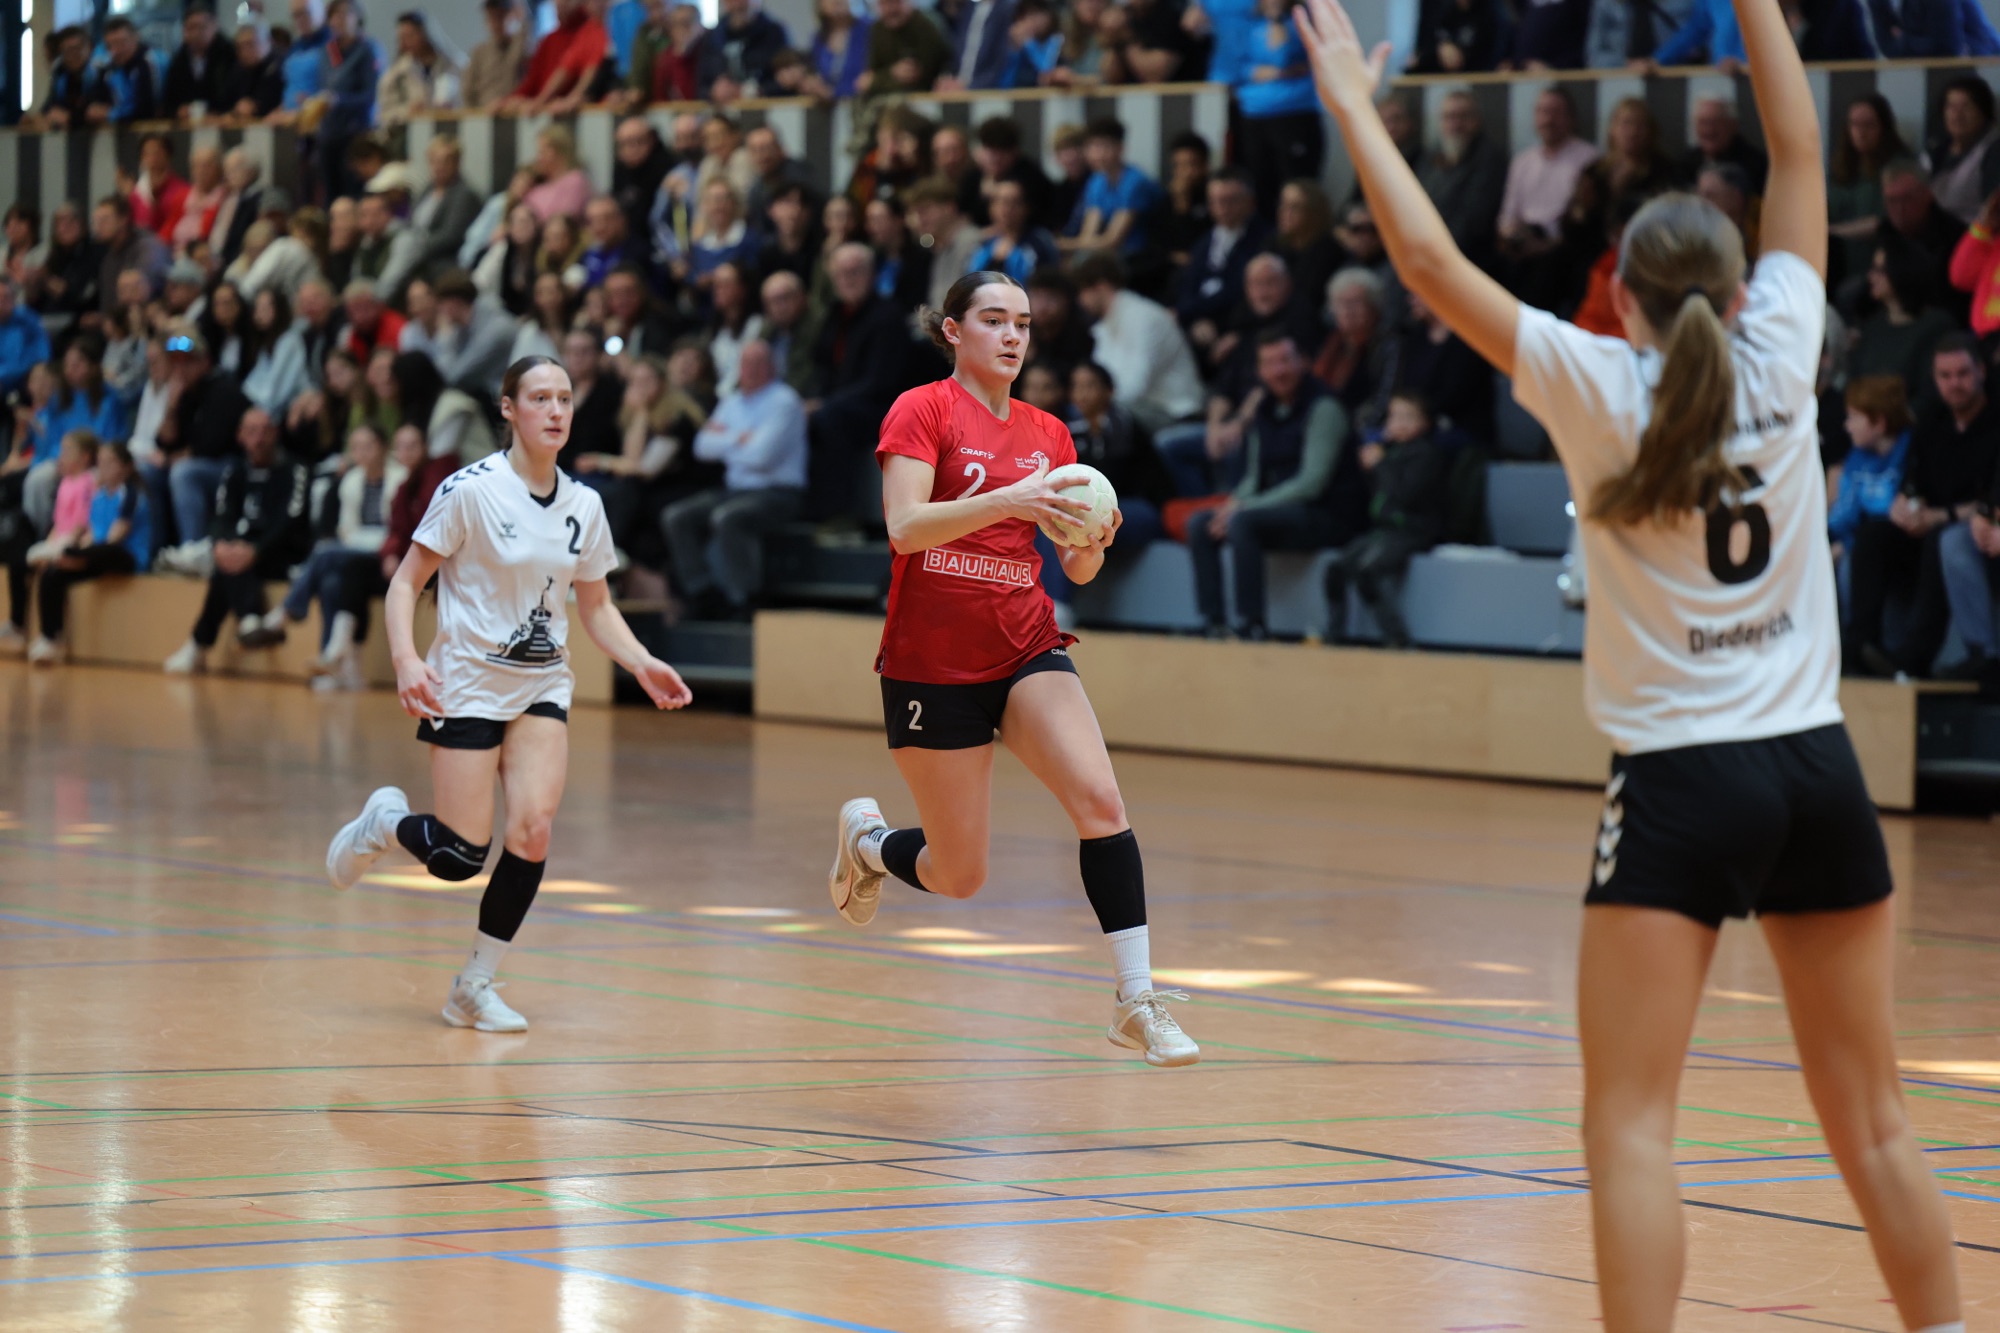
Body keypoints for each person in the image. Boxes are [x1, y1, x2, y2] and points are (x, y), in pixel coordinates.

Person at [1299, 1, 1963, 1331]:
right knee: (1875, 1121)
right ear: (1739, 286)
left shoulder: (1594, 382)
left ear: (1625, 297)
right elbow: (1797, 147)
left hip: (1679, 781)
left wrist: (1355, 107)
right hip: (1816, 767)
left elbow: (1424, 260)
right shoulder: (1785, 343)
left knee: (1630, 1124)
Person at [827, 270, 1201, 1069]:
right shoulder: (922, 409)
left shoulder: (1049, 433)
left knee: (1101, 801)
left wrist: (1093, 541)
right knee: (960, 874)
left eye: (1023, 324)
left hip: (1026, 643)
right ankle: (872, 844)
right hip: (931, 663)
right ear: (953, 330)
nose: (1012, 336)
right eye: (994, 320)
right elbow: (905, 527)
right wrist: (1012, 498)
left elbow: (1077, 564)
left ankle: (1136, 999)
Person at [322, 355, 693, 1032]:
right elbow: (406, 583)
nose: (556, 411)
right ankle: (385, 823)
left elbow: (597, 605)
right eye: (540, 398)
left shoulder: (585, 505)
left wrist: (642, 662)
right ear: (508, 409)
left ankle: (474, 984)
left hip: (542, 686)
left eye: (565, 399)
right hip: (466, 685)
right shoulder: (470, 491)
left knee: (533, 829)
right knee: (457, 858)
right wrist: (406, 658)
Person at [1187, 329, 1359, 638]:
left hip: (1328, 513)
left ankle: (1252, 623)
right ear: (1259, 370)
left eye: (1285, 361)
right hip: (1279, 510)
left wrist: (1244, 509)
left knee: (1243, 523)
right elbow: (1254, 476)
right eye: (1269, 363)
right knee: (1201, 523)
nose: (1278, 371)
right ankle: (1213, 623)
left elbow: (1312, 483)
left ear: (1303, 362)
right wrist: (1232, 505)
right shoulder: (1263, 408)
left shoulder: (1325, 407)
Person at [1847, 336, 1998, 678]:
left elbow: (1992, 502)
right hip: (1930, 526)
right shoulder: (1932, 421)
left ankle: (1918, 655)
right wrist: (1904, 507)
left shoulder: (1994, 421)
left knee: (1942, 539)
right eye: (1945, 375)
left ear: (1981, 371)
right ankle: (1860, 644)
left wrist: (1940, 517)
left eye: (1962, 374)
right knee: (1873, 535)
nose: (1954, 383)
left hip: (1973, 535)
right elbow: (1912, 483)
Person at [162, 405, 312, 669]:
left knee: (227, 569)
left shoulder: (295, 469)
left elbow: (290, 521)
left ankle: (200, 643)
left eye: (265, 431)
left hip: (282, 552)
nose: (259, 439)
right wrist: (221, 544)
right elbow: (222, 516)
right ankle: (248, 622)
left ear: (275, 434)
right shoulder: (235, 471)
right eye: (251, 431)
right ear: (240, 436)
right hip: (243, 551)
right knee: (228, 562)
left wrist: (256, 550)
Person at [665, 340, 806, 616]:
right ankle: (703, 593)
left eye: (758, 363)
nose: (750, 370)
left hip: (779, 493)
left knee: (728, 517)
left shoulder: (784, 401)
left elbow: (761, 457)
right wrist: (740, 439)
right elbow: (702, 447)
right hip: (735, 489)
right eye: (746, 363)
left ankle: (745, 601)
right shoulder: (732, 401)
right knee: (676, 516)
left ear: (772, 367)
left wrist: (726, 442)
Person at [1320, 389, 1450, 647]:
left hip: (1412, 530)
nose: (1399, 423)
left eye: (1408, 417)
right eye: (1394, 416)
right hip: (1383, 530)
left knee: (1370, 570)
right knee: (1336, 569)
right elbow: (1375, 494)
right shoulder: (1388, 452)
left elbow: (1403, 494)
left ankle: (1396, 637)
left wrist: (1380, 465)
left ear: (1424, 423)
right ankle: (1335, 633)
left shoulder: (1427, 455)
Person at [20, 441, 153, 665]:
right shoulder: (99, 496)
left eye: (110, 462)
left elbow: (116, 537)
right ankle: (50, 638)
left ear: (126, 467)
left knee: (99, 551)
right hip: (95, 557)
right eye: (101, 462)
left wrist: (82, 555)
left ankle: (65, 556)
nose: (103, 468)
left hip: (126, 555)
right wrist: (80, 551)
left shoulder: (131, 494)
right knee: (52, 574)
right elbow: (91, 533)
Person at [1827, 375, 1912, 623]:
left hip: (1903, 547)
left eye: (1854, 417)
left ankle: (1860, 639)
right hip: (1860, 543)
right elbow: (1843, 514)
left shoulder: (1911, 451)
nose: (1847, 426)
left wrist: (1846, 545)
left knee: (1852, 561)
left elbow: (1891, 512)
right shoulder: (1857, 456)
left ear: (1879, 422)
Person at [464, 0, 528, 108]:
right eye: (491, 17)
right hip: (485, 111)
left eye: (500, 16)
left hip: (514, 111)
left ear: (513, 16)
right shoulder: (479, 53)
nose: (496, 23)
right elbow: (468, 92)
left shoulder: (523, 48)